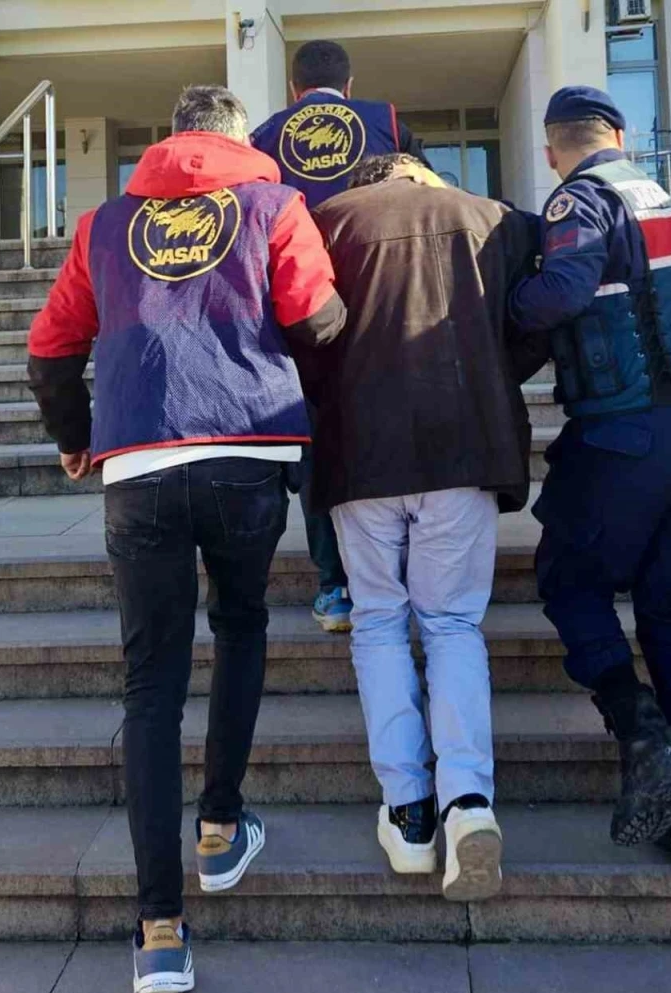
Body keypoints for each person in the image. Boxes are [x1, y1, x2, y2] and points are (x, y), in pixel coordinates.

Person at [26, 85, 345, 993]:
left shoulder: (103, 225)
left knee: (151, 685)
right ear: (238, 138)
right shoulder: (275, 204)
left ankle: (159, 932)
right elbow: (318, 318)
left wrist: (74, 434)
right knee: (241, 626)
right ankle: (221, 825)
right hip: (248, 448)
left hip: (139, 462)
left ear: (171, 140)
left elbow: (50, 348)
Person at [509, 87, 671, 867]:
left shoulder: (578, 198)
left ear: (552, 150)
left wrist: (502, 303)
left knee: (570, 582)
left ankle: (643, 734)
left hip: (628, 440)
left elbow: (561, 293)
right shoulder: (653, 194)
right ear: (619, 133)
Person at [305, 153, 539, 900]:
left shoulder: (326, 221)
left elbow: (303, 327)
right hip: (465, 445)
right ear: (420, 173)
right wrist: (494, 373)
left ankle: (407, 815)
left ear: (369, 181)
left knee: (378, 621)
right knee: (452, 624)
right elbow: (537, 316)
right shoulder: (491, 217)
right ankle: (467, 803)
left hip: (360, 453)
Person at [251, 39, 430, 634]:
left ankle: (335, 587)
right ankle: (408, 578)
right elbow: (427, 192)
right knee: (391, 438)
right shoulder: (387, 121)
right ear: (349, 86)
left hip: (303, 317)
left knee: (320, 451)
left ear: (294, 89)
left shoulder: (264, 136)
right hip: (386, 308)